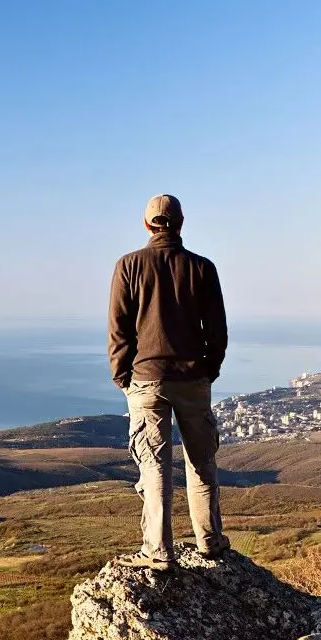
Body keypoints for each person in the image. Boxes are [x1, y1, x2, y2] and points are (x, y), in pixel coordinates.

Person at [107, 193, 229, 570]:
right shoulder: (202, 268)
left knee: (155, 464)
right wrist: (209, 369)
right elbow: (218, 331)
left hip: (146, 380)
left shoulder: (128, 265)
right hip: (193, 378)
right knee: (201, 461)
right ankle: (209, 540)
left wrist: (123, 376)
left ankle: (158, 551)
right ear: (181, 223)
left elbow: (119, 329)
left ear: (147, 225)